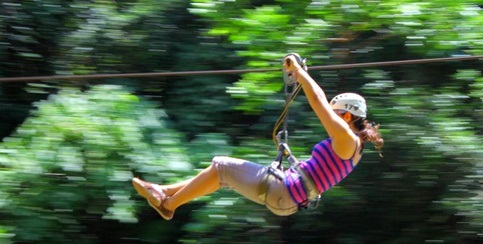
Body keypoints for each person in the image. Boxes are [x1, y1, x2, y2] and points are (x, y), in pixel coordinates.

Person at [132, 54, 384, 221]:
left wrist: (299, 72)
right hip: (288, 195)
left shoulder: (347, 141)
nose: (333, 116)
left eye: (337, 113)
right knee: (220, 175)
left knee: (221, 165)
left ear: (348, 117)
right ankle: (163, 192)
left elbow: (318, 102)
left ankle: (169, 205)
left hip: (285, 190)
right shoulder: (354, 150)